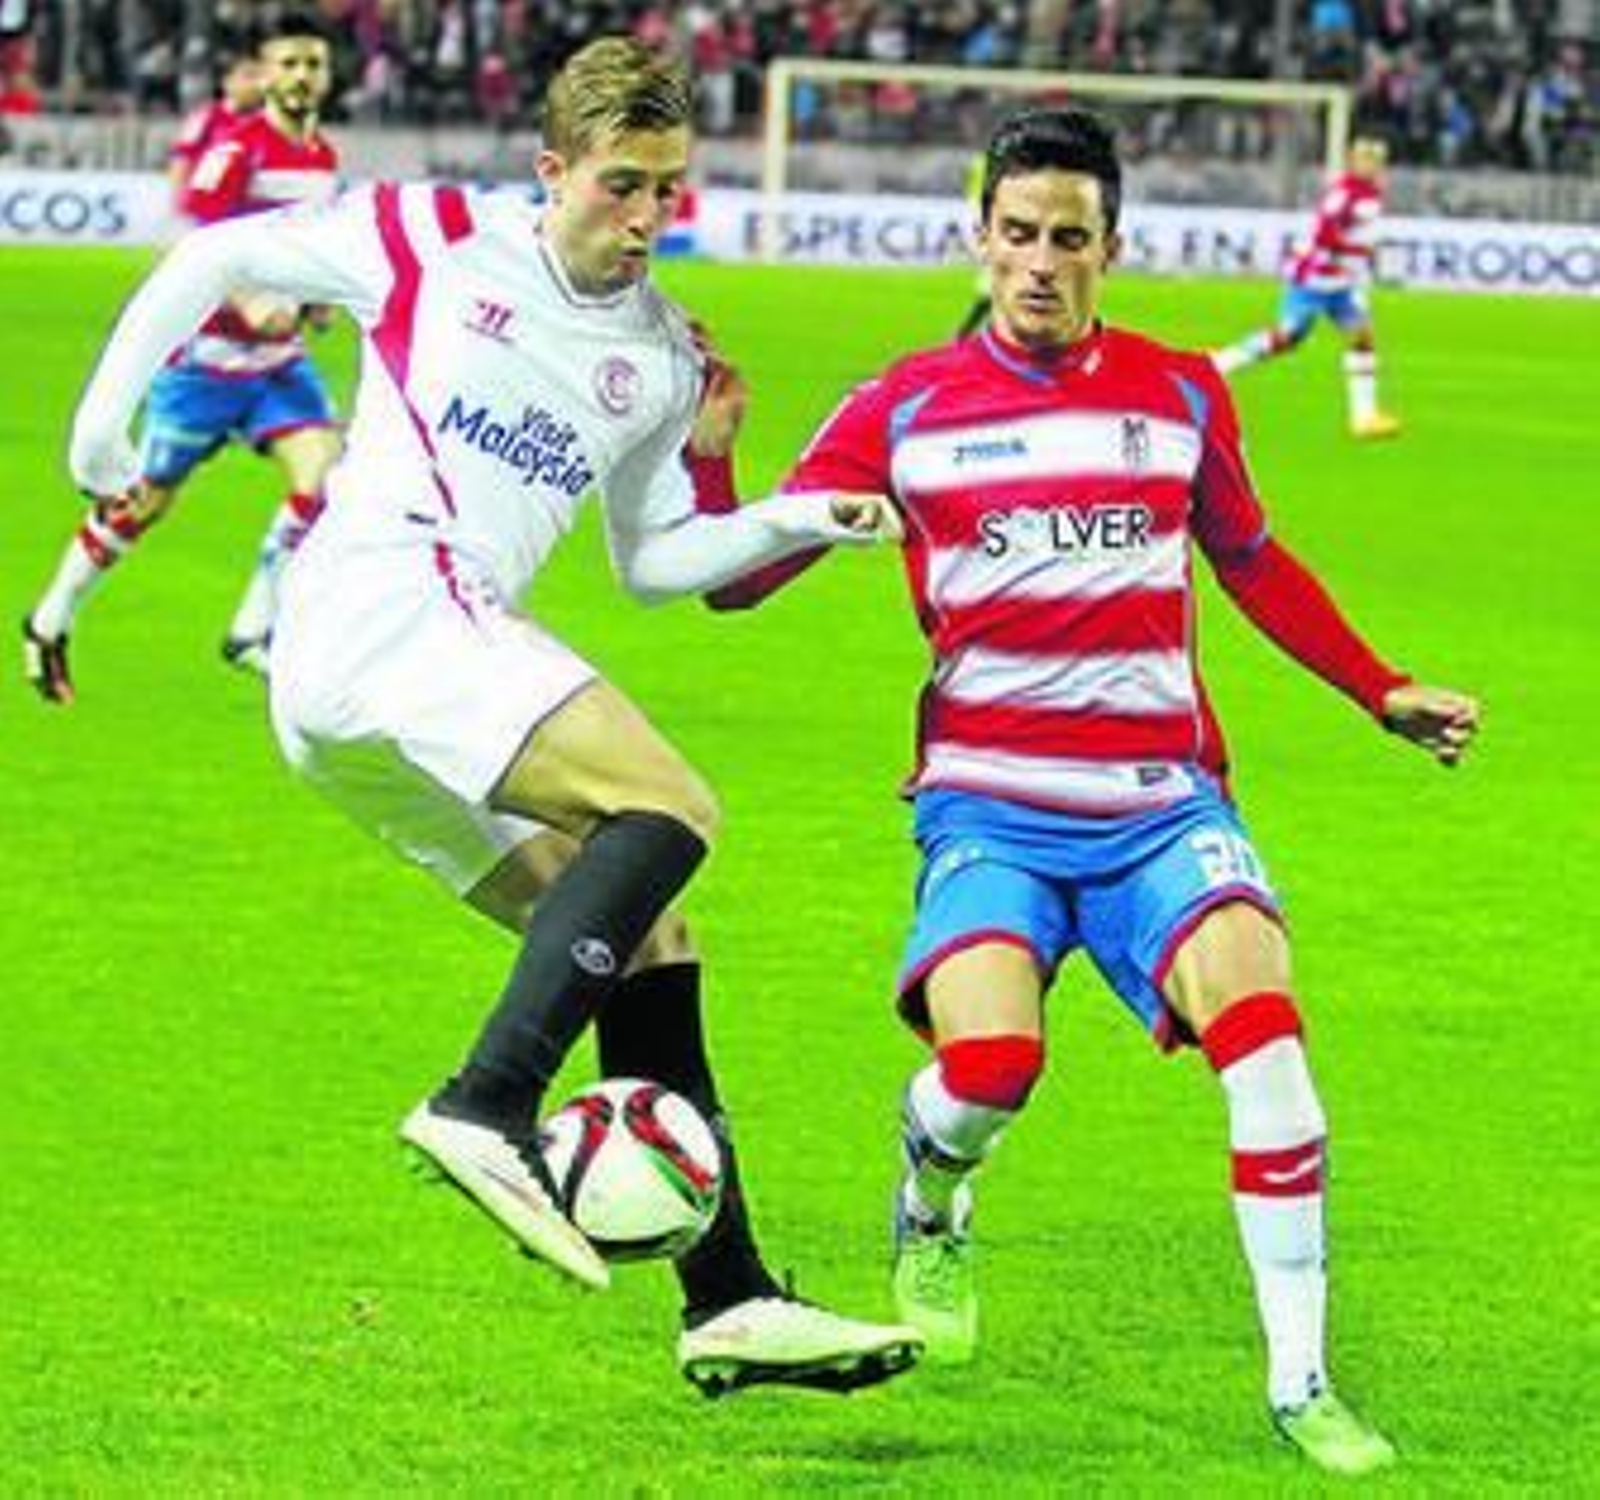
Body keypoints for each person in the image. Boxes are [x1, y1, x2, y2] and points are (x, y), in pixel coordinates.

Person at [63, 36, 921, 1398]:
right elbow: (217, 255)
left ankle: (730, 1299)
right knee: (674, 807)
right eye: (621, 185)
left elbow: (656, 563)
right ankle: (488, 1099)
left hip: (369, 694)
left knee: (650, 932)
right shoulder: (440, 234)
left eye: (669, 191)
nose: (646, 218)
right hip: (383, 600)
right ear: (552, 171)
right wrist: (99, 433)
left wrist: (801, 511)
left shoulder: (656, 352)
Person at [771, 108, 1479, 1473]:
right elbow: (748, 575)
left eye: (1071, 241)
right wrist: (719, 469)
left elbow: (1254, 561)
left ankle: (1302, 1383)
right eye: (1019, 235)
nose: (1041, 263)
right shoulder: (901, 407)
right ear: (978, 238)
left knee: (1268, 1041)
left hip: (1164, 808)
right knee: (989, 1071)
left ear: (1114, 248)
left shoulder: (1176, 395)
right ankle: (931, 1191)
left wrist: (1376, 686)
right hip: (988, 808)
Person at [24, 11, 344, 703]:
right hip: (204, 368)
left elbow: (303, 254)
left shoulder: (322, 157)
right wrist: (249, 300)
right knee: (139, 505)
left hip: (279, 369)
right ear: (264, 72)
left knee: (324, 478)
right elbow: (190, 247)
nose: (300, 77)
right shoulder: (237, 148)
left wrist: (317, 299)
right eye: (288, 63)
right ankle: (49, 619)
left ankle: (254, 629)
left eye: (312, 64)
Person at [1211, 136, 1401, 440]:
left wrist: (1359, 258)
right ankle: (1214, 366)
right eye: (1365, 157)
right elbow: (1325, 233)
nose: (1371, 163)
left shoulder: (1371, 193)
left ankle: (1364, 418)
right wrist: (1349, 255)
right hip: (1316, 278)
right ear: (1353, 160)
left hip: (1342, 283)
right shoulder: (1345, 193)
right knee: (1288, 337)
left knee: (1362, 337)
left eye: (1375, 158)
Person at [168, 48, 266, 200]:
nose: (256, 84)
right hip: (209, 210)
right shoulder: (204, 118)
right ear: (227, 82)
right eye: (249, 76)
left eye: (261, 77)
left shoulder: (269, 123)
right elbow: (181, 162)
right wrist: (181, 201)